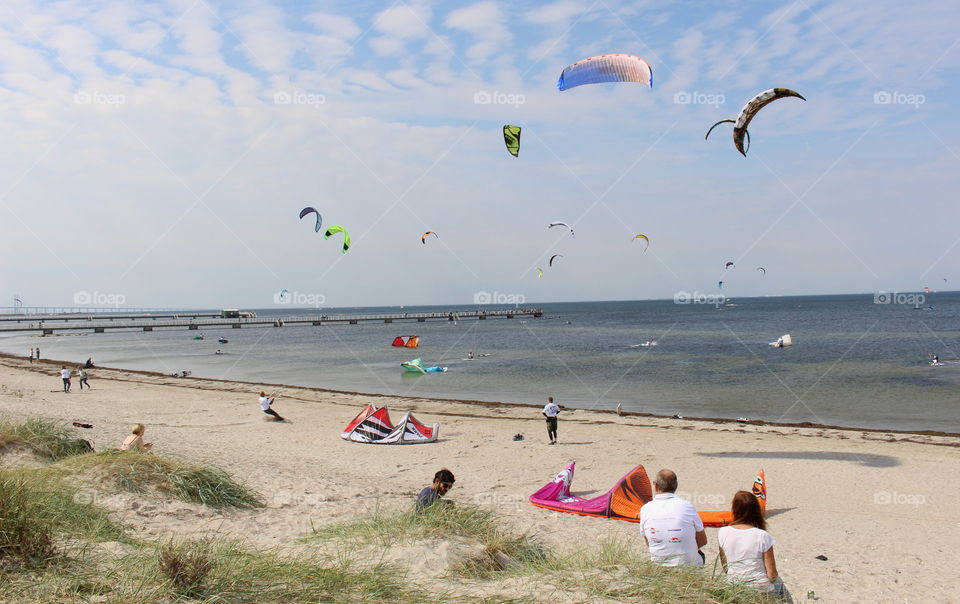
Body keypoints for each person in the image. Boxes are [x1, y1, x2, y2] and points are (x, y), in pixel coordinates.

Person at [718, 491, 791, 600]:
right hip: (760, 590)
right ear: (756, 511)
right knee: (780, 585)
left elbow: (725, 567)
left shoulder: (723, 532)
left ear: (734, 509)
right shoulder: (762, 536)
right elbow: (772, 575)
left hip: (734, 587)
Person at [639, 469, 707, 566]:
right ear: (676, 485)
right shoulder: (687, 506)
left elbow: (649, 542)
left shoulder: (645, 509)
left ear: (655, 485)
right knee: (699, 554)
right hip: (687, 564)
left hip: (659, 565)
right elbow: (702, 541)